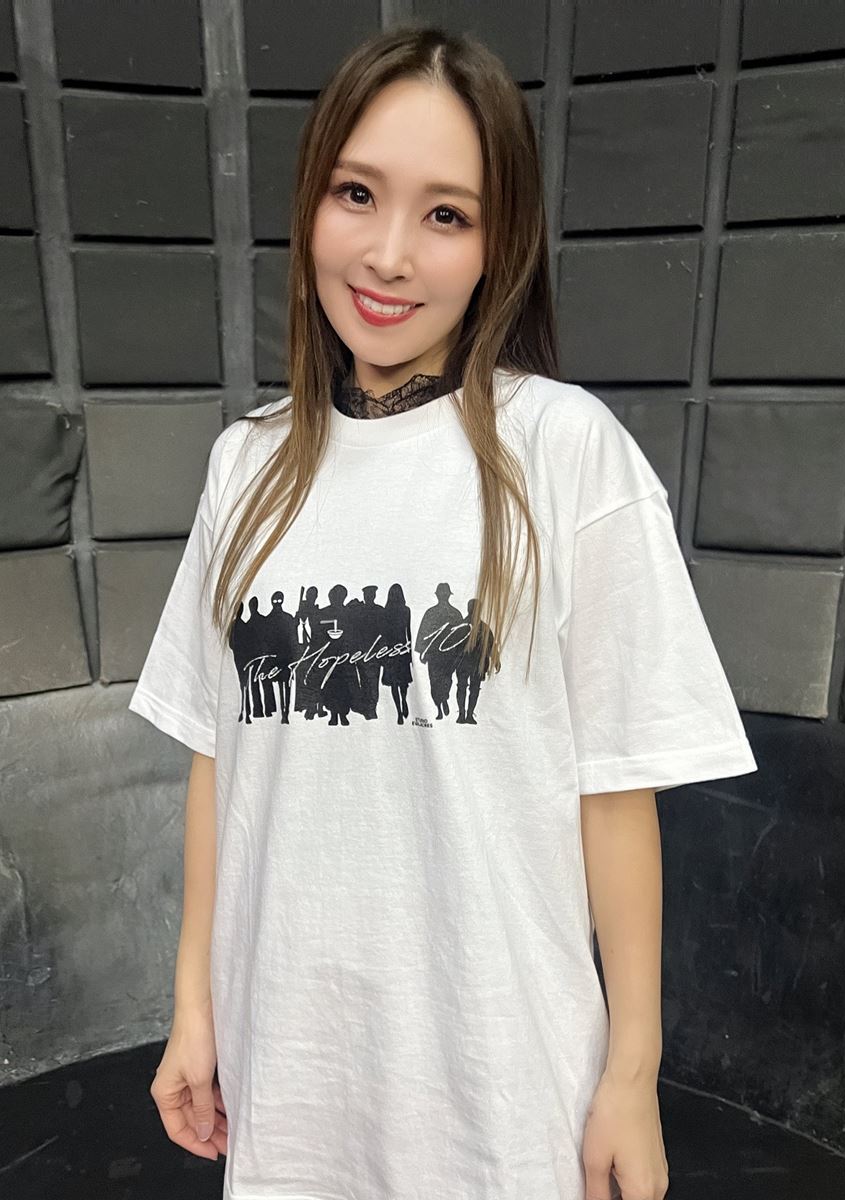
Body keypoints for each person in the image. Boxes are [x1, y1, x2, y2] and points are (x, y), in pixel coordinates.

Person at [128, 24, 758, 1200]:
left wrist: (631, 1075)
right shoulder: (245, 466)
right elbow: (220, 761)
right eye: (357, 194)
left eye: (446, 214)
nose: (389, 253)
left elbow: (614, 794)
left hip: (499, 1083)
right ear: (311, 204)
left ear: (497, 244)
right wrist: (193, 1009)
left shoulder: (564, 452)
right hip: (292, 1071)